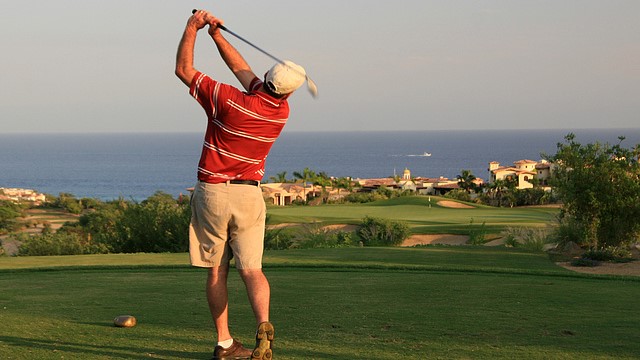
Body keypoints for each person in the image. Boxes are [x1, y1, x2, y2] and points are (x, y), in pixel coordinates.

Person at [175, 9, 307, 360]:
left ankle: (224, 343)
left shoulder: (229, 101)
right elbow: (242, 71)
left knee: (218, 269)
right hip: (250, 195)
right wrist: (217, 36)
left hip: (214, 192)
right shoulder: (279, 112)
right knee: (252, 269)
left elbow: (184, 70)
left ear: (266, 79)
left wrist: (193, 28)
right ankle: (263, 325)